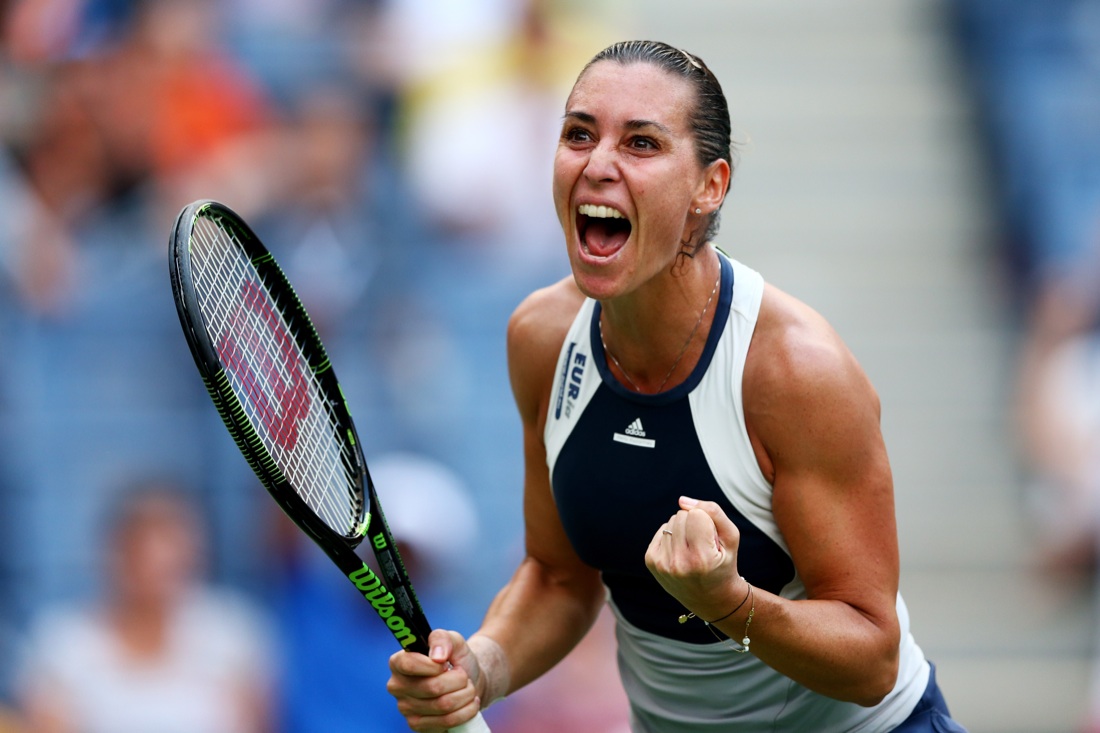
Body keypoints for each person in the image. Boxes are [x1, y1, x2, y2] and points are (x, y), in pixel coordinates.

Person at [386, 40, 966, 732]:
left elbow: (871, 658)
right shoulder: (541, 338)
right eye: (579, 134)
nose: (598, 164)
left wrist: (728, 602)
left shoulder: (794, 371)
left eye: (640, 143)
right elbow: (559, 574)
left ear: (708, 186)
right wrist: (481, 666)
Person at [16, 482, 275, 733]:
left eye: (173, 540)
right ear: (115, 551)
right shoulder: (63, 643)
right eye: (144, 541)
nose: (160, 558)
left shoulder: (231, 632)